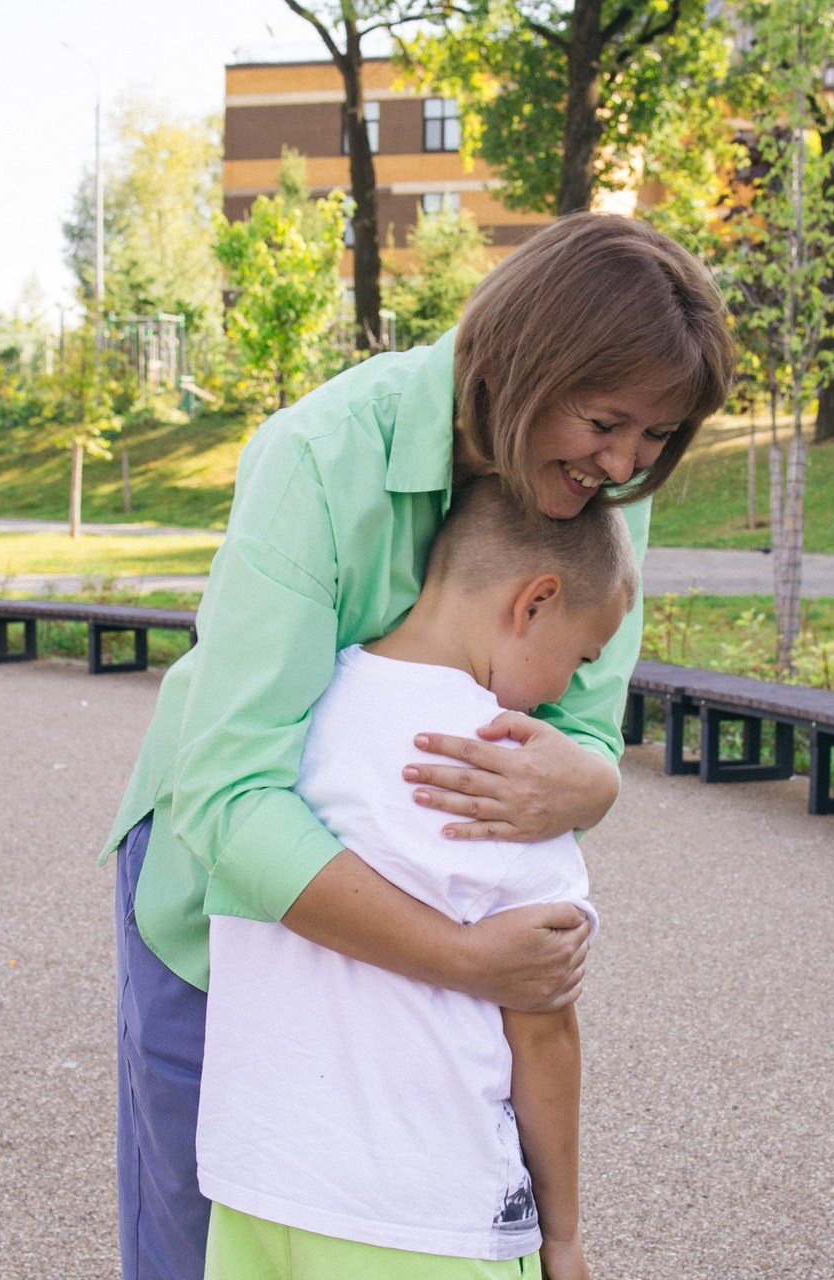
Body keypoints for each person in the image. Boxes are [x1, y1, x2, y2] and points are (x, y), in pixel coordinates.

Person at [101, 211, 735, 1280]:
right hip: (227, 909)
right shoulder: (319, 455)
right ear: (528, 364)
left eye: (657, 437)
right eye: (605, 421)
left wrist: (590, 783)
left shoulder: (603, 494)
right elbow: (230, 796)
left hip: (414, 920)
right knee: (204, 1220)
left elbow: (583, 732)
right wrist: (465, 961)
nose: (626, 463)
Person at [197, 476, 637, 1280]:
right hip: (425, 1213)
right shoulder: (506, 782)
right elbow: (542, 1028)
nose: (566, 692)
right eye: (580, 658)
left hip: (254, 1184)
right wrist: (564, 1236)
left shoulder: (285, 718)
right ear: (535, 603)